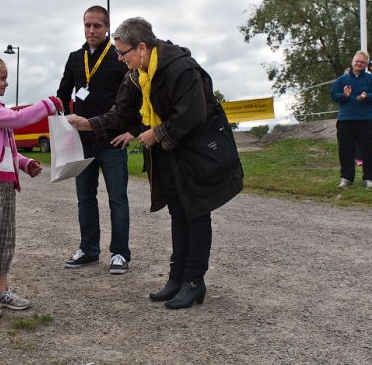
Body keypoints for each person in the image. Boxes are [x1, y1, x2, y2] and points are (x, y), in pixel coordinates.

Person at [68, 17, 243, 309]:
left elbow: (193, 113)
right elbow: (121, 114)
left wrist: (157, 133)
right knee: (178, 210)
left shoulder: (179, 68)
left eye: (123, 53)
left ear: (141, 48)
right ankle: (177, 277)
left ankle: (194, 281)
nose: (120, 59)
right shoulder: (136, 74)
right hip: (169, 152)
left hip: (197, 150)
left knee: (196, 212)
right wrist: (87, 123)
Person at [0, 54, 63, 321]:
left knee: (5, 240)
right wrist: (47, 105)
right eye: (2, 78)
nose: (6, 83)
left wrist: (24, 163)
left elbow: (3, 149)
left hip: (3, 182)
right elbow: (17, 119)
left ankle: (1, 292)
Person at [57, 5, 135, 275]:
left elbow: (136, 99)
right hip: (83, 142)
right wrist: (62, 120)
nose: (91, 30)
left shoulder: (119, 57)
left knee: (117, 198)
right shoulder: (75, 58)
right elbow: (62, 94)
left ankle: (119, 253)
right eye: (87, 25)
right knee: (85, 198)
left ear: (107, 28)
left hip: (113, 140)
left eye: (97, 26)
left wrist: (132, 131)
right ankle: (89, 249)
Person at [330, 51, 372, 189]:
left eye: (362, 62)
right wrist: (344, 95)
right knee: (345, 150)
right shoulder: (342, 80)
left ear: (366, 65)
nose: (359, 64)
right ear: (352, 62)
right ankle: (346, 178)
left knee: (368, 150)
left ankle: (369, 179)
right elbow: (334, 96)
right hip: (345, 120)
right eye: (357, 61)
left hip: (366, 120)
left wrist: (366, 97)